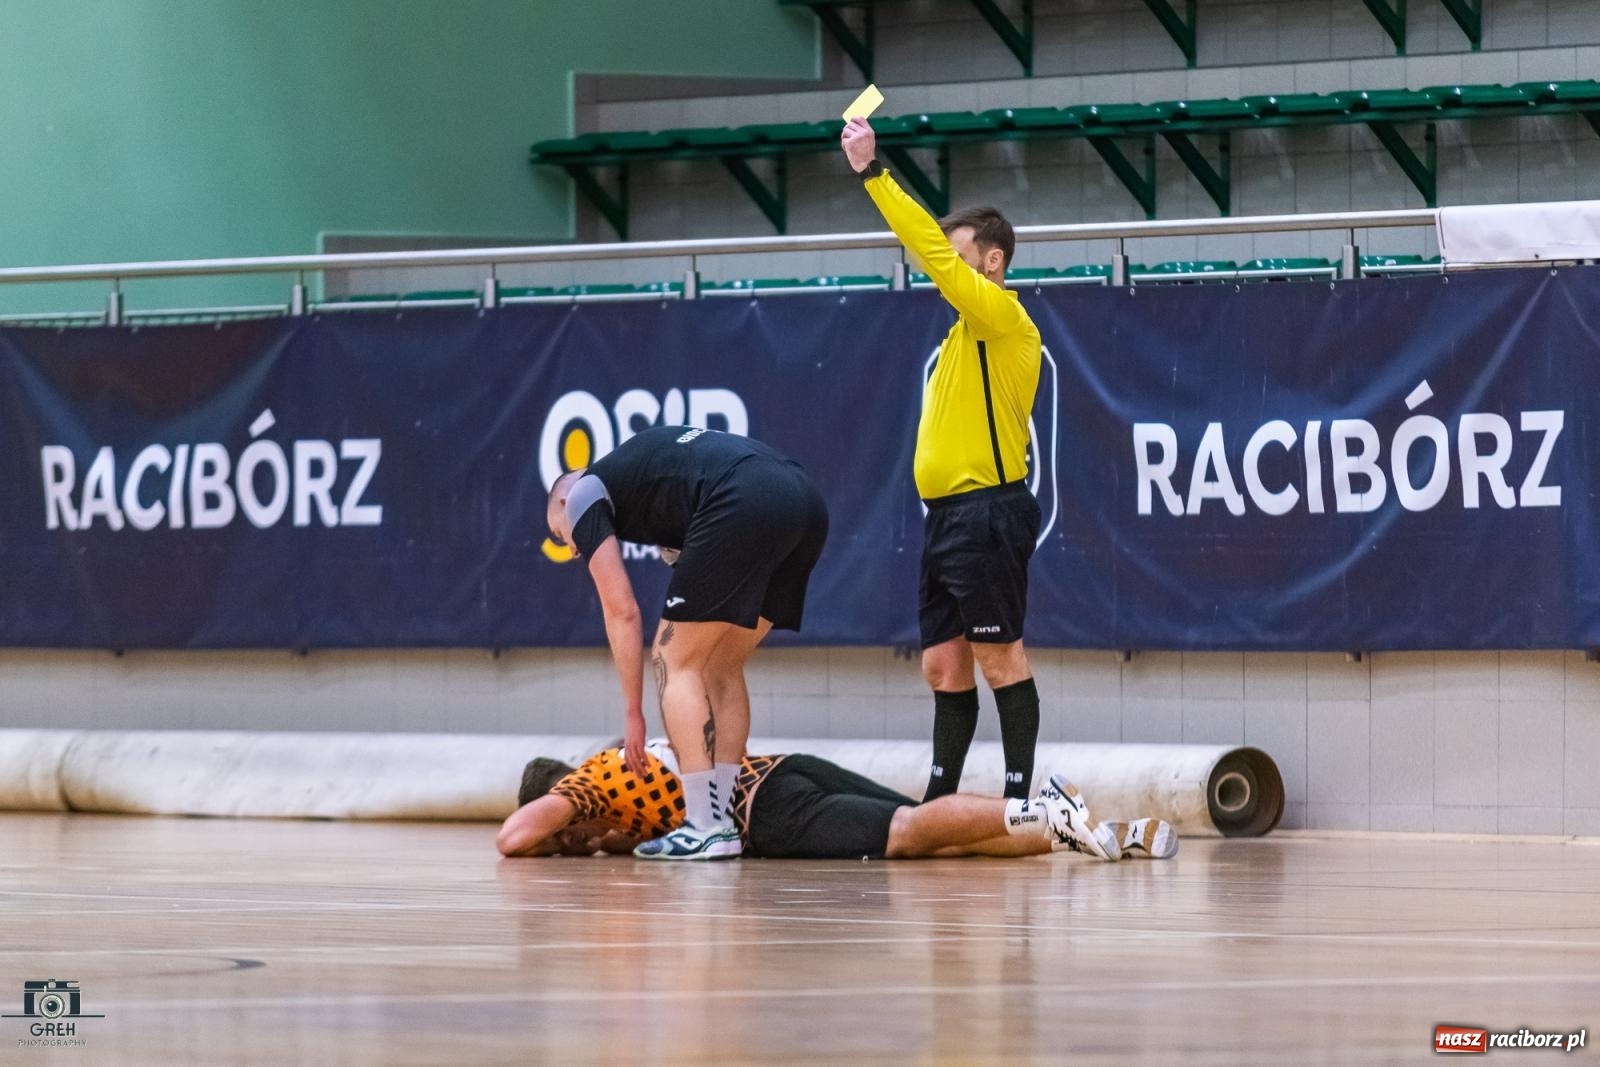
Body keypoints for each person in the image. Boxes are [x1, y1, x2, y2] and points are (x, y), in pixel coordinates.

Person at [840, 117, 1047, 803]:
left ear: (991, 262)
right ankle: (941, 803)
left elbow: (926, 245)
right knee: (941, 664)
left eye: (959, 260)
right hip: (946, 519)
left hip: (988, 511)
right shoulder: (962, 333)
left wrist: (874, 173)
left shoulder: (1004, 319)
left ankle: (1019, 803)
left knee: (999, 657)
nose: (943, 272)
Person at [546, 425, 828, 860]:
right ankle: (723, 818)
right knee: (719, 664)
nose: (576, 550)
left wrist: (632, 714)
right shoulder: (640, 477)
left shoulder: (583, 493)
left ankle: (704, 824)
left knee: (671, 658)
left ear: (564, 503)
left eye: (564, 537)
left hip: (745, 494)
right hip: (804, 501)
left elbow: (622, 611)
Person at [496, 740, 1182, 863]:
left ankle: (1039, 807)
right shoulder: (625, 762)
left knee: (912, 830)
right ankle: (1105, 831)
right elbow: (640, 825)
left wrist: (559, 827)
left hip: (766, 811)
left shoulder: (582, 785)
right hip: (787, 767)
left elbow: (513, 836)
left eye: (570, 839)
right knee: (938, 832)